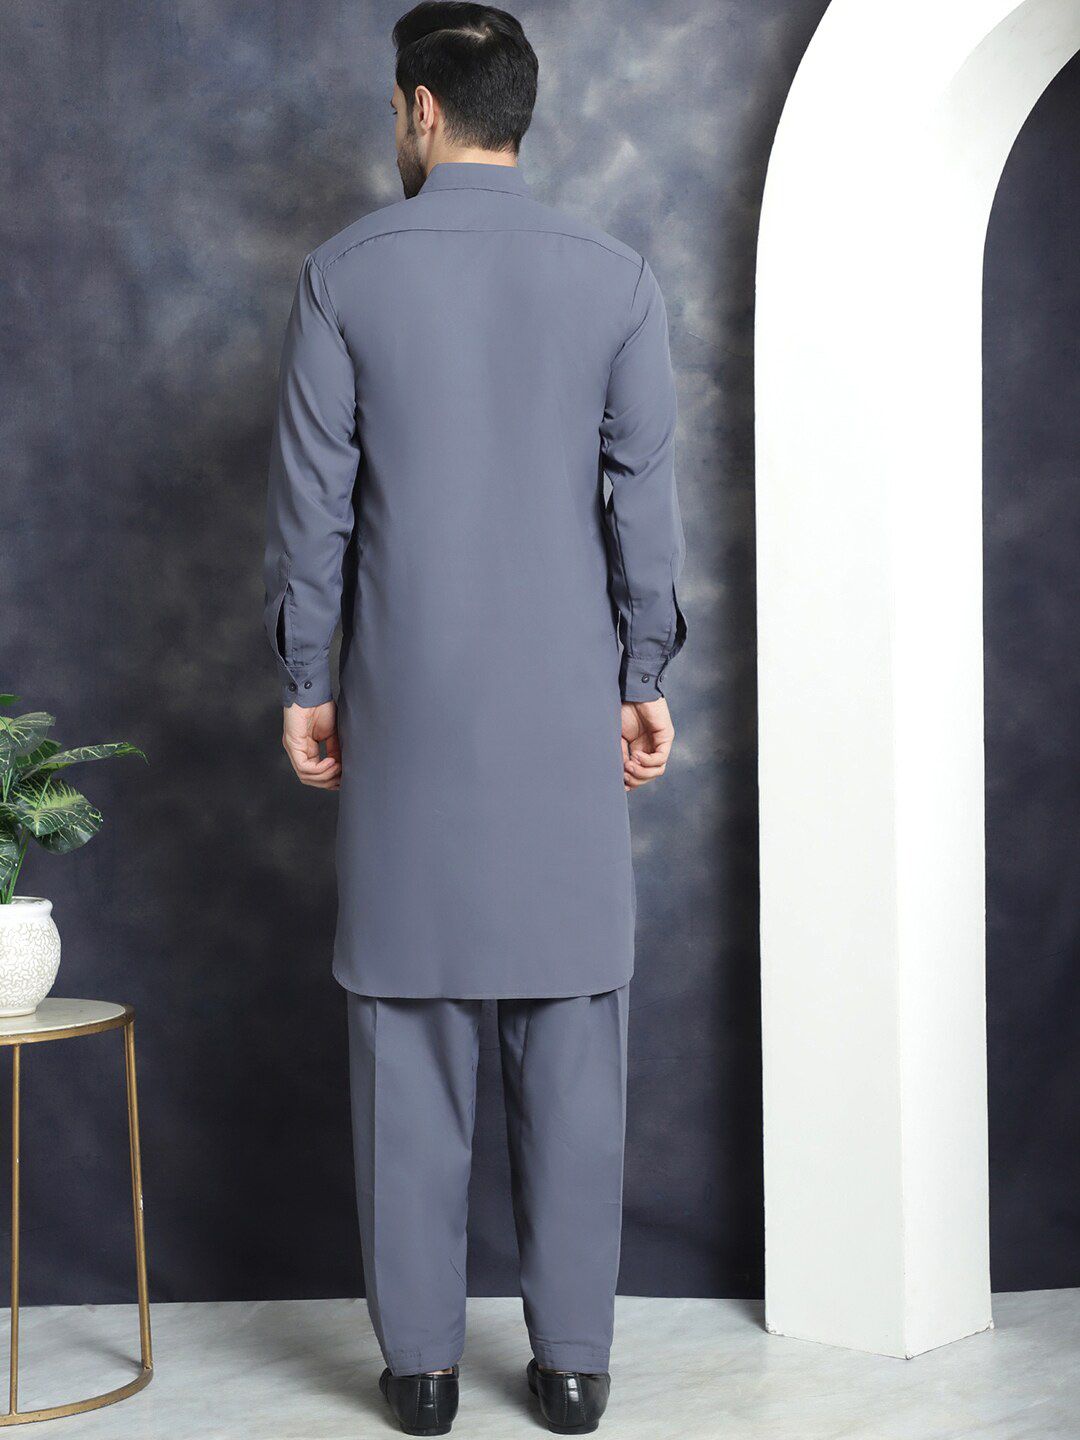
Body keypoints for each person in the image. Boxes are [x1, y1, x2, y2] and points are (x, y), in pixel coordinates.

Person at [263, 3, 685, 1433]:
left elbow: (314, 512)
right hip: (563, 713)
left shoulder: (343, 276)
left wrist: (308, 683)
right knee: (572, 1027)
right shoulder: (617, 278)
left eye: (398, 109)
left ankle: (424, 1371)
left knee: (408, 1024)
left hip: (408, 711)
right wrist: (642, 676)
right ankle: (570, 1367)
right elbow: (644, 509)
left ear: (422, 110)